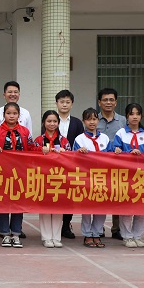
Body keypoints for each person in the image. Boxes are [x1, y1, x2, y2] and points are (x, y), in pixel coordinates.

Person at [0, 102, 35, 248]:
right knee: (2, 202)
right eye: (8, 113)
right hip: (2, 172)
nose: (11, 116)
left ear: (19, 115)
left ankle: (16, 233)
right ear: (4, 115)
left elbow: (31, 148)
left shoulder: (25, 132)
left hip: (20, 173)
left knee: (18, 202)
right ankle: (4, 233)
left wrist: (43, 150)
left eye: (14, 113)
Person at [113, 103, 144, 248]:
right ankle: (127, 237)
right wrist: (127, 153)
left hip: (143, 176)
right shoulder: (121, 133)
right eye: (132, 114)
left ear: (141, 116)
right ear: (127, 116)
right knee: (127, 208)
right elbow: (115, 151)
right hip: (126, 176)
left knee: (141, 209)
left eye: (138, 114)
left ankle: (138, 236)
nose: (135, 117)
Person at [72, 107, 113, 248]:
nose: (92, 122)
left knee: (101, 207)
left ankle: (97, 233)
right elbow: (73, 159)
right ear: (83, 121)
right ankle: (87, 234)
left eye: (94, 119)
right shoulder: (79, 139)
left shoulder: (105, 138)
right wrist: (79, 152)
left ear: (98, 120)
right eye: (88, 119)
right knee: (87, 208)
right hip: (86, 178)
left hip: (102, 178)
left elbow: (111, 157)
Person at [35, 110, 70, 248]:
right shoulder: (38, 140)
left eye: (55, 121)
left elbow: (71, 157)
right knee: (45, 207)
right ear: (44, 122)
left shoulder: (63, 140)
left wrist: (64, 153)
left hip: (59, 177)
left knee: (57, 207)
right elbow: (31, 156)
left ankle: (56, 237)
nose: (52, 124)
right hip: (43, 177)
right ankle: (46, 237)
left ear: (58, 123)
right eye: (49, 121)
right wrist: (40, 151)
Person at [96, 87, 127, 240]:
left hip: (118, 165)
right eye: (105, 100)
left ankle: (117, 228)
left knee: (118, 194)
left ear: (116, 102)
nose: (108, 103)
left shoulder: (123, 121)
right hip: (98, 166)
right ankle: (98, 228)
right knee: (99, 193)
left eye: (111, 100)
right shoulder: (93, 119)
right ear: (99, 102)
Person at [56, 89, 84, 239]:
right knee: (56, 193)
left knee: (70, 195)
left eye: (67, 102)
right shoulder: (51, 119)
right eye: (62, 102)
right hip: (54, 164)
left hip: (72, 164)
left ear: (72, 104)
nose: (64, 105)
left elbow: (80, 141)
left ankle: (66, 225)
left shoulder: (77, 123)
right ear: (57, 103)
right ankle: (54, 226)